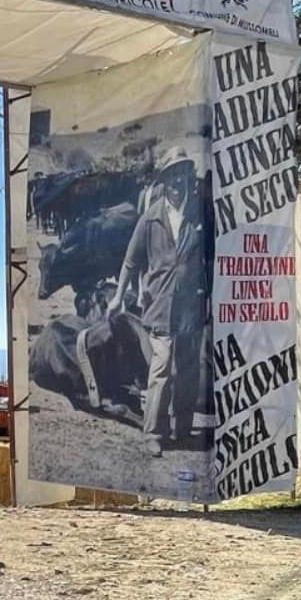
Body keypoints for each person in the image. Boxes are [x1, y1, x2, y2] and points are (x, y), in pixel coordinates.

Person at [106, 145, 207, 458]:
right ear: (164, 181)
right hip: (160, 307)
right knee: (161, 371)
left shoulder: (201, 214)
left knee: (188, 370)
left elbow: (212, 259)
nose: (179, 182)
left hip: (191, 308)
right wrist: (119, 297)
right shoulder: (151, 219)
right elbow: (130, 262)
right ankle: (153, 433)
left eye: (184, 174)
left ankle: (184, 428)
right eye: (173, 176)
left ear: (191, 177)